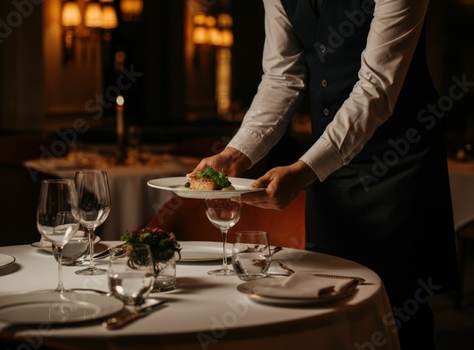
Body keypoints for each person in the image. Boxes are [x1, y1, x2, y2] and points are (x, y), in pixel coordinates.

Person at [189, 0, 459, 349]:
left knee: (401, 308)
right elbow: (281, 78)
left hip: (398, 163)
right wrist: (236, 152)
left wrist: (305, 170)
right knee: (328, 296)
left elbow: (376, 88)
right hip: (327, 168)